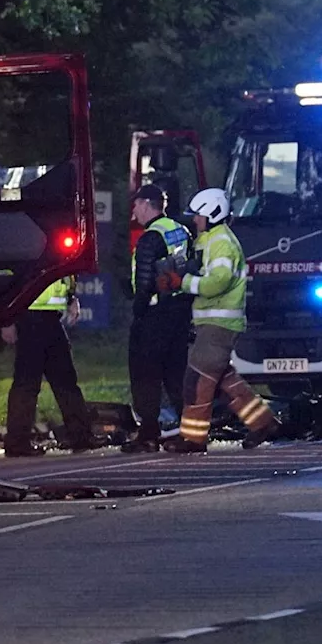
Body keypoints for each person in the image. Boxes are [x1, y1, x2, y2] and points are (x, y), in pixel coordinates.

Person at [159, 187, 280, 453]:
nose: (194, 220)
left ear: (213, 214)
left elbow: (218, 282)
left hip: (219, 324)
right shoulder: (208, 238)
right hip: (211, 323)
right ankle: (264, 423)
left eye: (198, 216)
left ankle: (193, 439)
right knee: (224, 378)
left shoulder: (222, 242)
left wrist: (183, 281)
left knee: (197, 379)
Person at [123, 183, 194, 453]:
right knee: (175, 374)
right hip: (179, 311)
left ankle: (148, 434)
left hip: (154, 316)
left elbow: (144, 283)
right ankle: (191, 432)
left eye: (136, 206)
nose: (134, 212)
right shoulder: (180, 230)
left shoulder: (150, 238)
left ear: (146, 204)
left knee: (145, 373)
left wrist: (139, 311)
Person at [0, 276, 99, 456]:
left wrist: (71, 298)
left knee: (65, 381)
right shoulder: (27, 247)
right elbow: (12, 278)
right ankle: (17, 442)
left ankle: (81, 436)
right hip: (28, 316)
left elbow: (66, 274)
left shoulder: (49, 249)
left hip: (51, 318)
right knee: (27, 384)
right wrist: (8, 319)